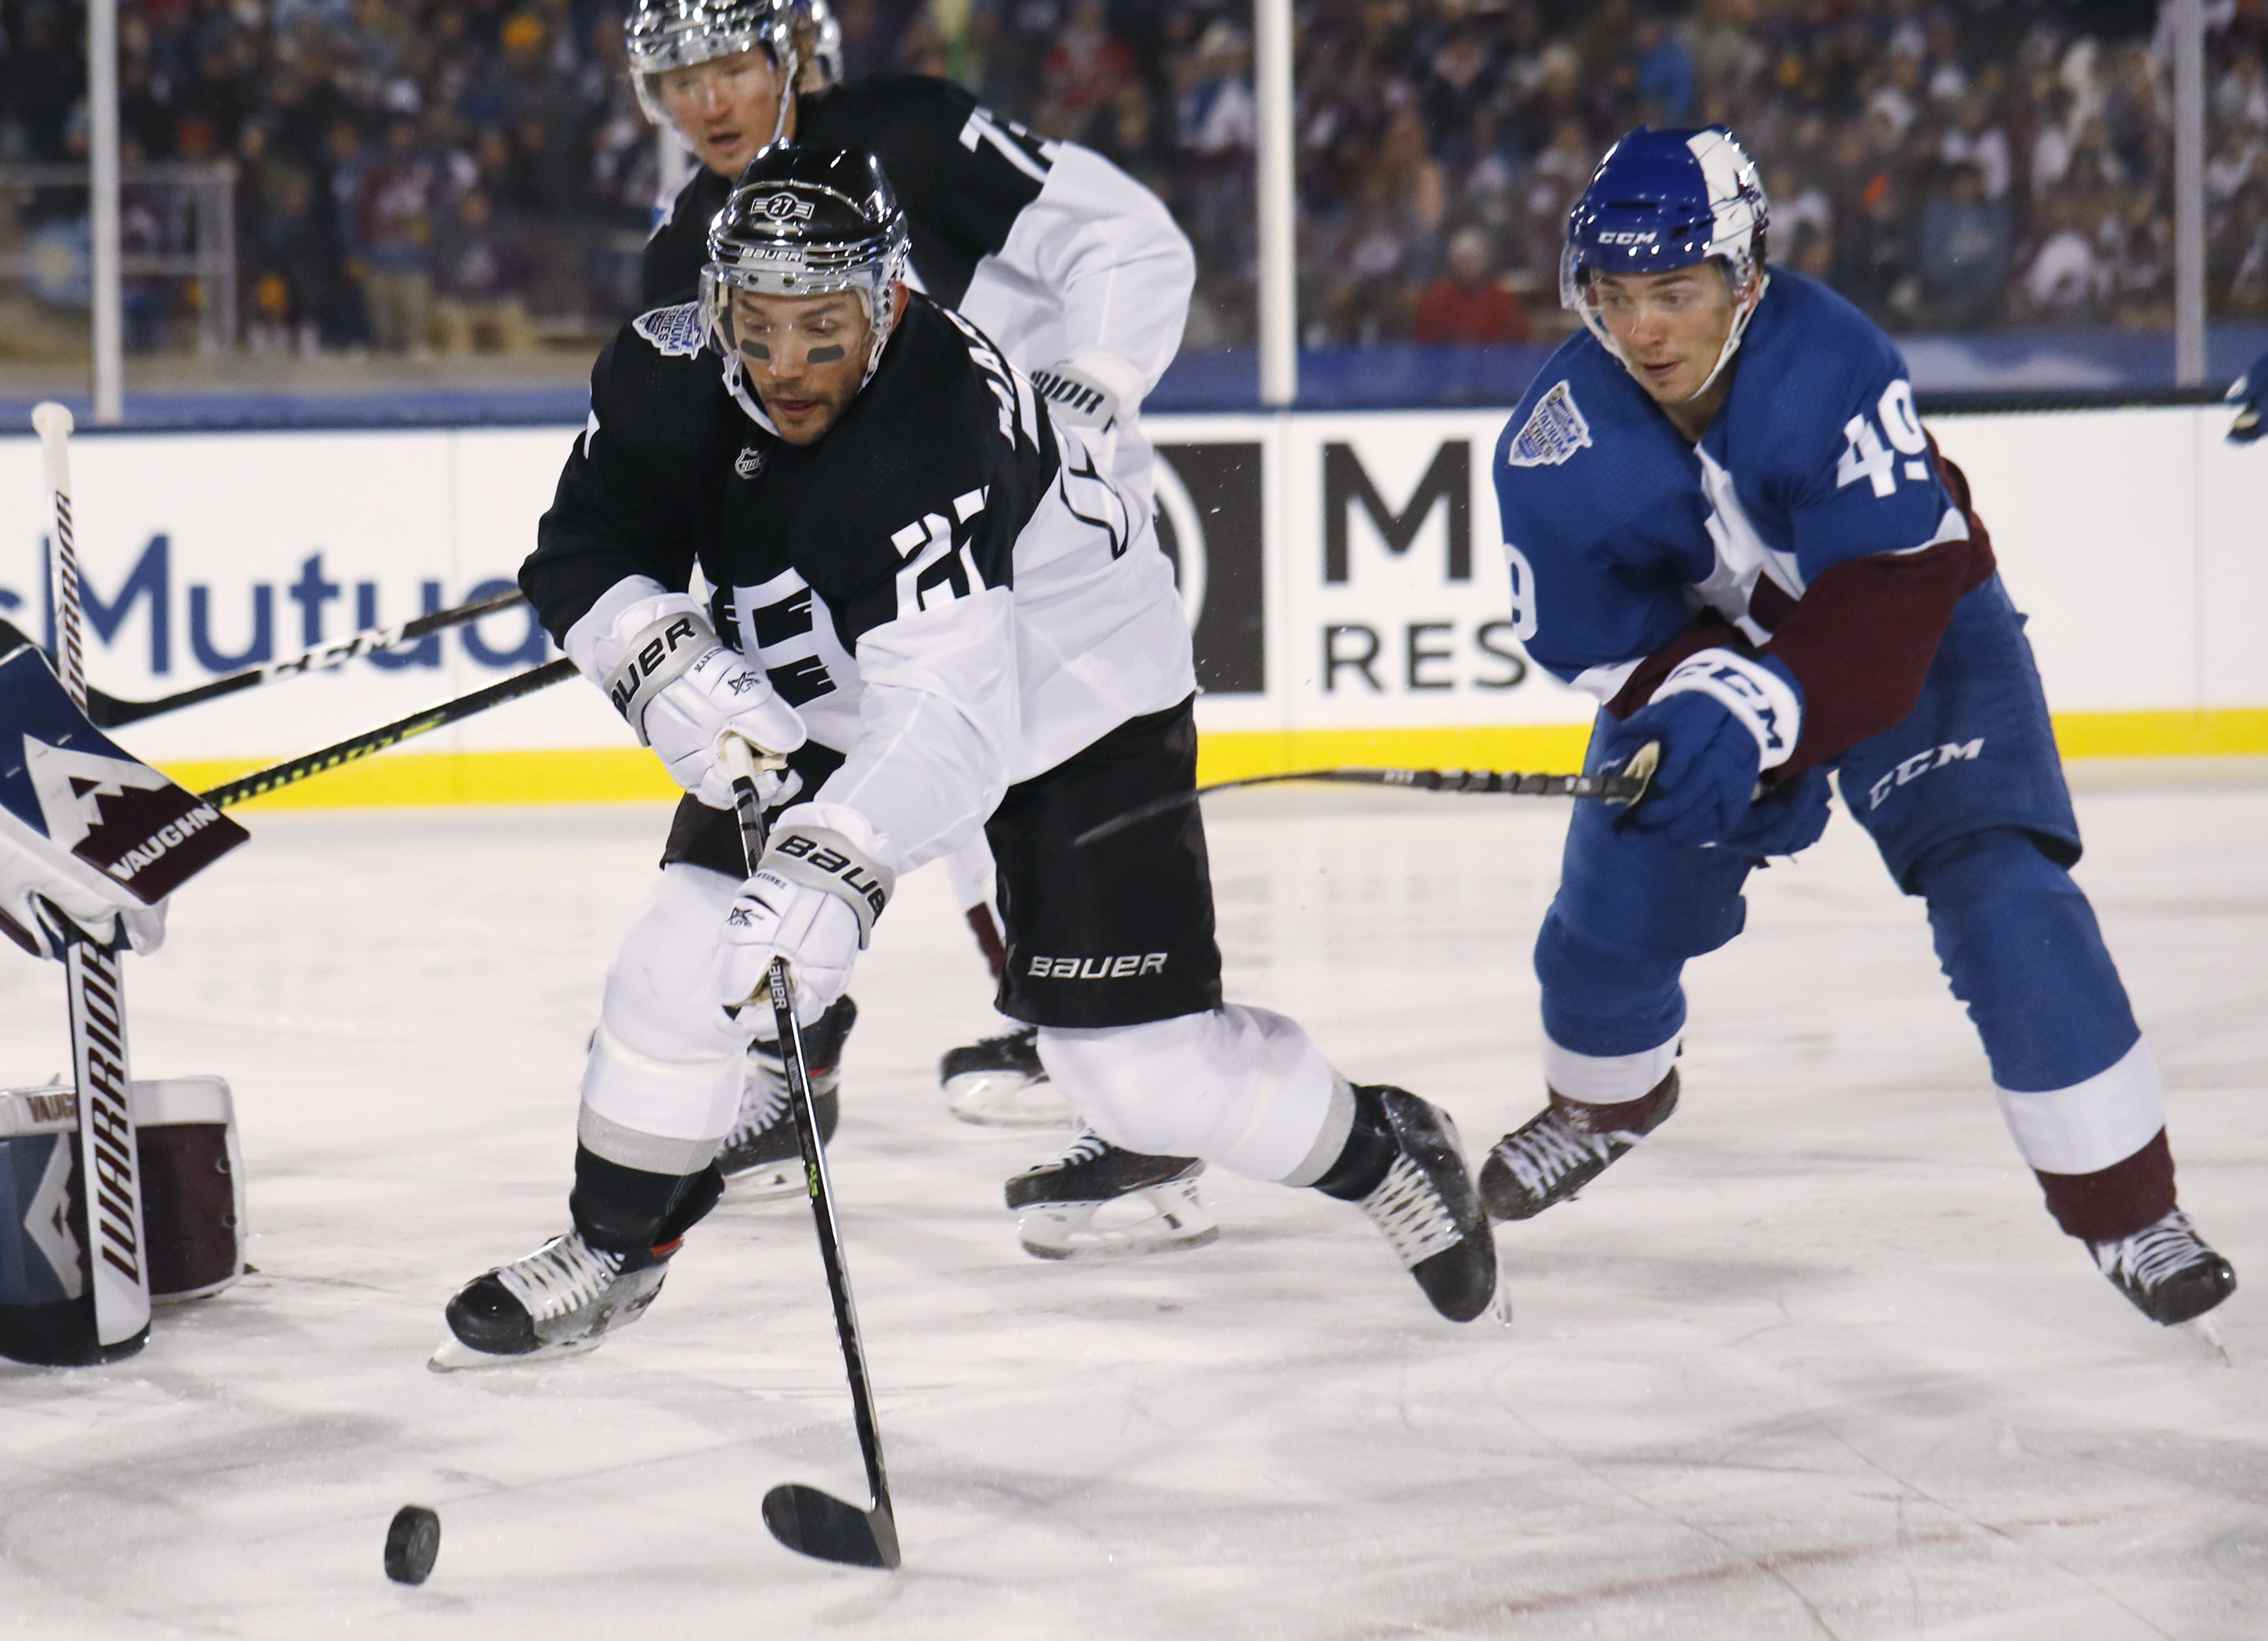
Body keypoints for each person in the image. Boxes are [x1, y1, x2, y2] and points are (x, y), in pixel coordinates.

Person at [433, 149, 1501, 1366]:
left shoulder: (930, 424)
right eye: (758, 326)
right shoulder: (665, 366)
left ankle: (1382, 1148)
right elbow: (582, 549)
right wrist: (659, 658)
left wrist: (832, 869)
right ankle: (615, 1247)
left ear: (887, 301)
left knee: (1141, 1081)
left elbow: (948, 717)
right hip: (831, 683)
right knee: (675, 965)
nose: (785, 366)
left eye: (822, 330)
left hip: (1069, 698)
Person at [1483, 126, 2236, 1329]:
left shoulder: (1829, 361)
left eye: (1674, 291)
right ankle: (1605, 1103)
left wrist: (1773, 713)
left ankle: (2128, 1209)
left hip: (1913, 625)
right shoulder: (1553, 444)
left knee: (2004, 893)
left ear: (1745, 277)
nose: (1643, 330)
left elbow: (1889, 597)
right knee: (1611, 908)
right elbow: (1599, 636)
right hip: (1716, 662)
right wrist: (1702, 698)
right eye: (1614, 296)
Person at [622, 0, 1205, 1234]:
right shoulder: (685, 244)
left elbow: (1126, 237)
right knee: (806, 765)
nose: (708, 102)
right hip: (861, 560)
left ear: (792, 56)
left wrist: (1097, 381)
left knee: (1021, 785)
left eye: (731, 66)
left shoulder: (908, 135)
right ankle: (804, 1060)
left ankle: (1137, 1094)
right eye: (678, 80)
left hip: (1039, 548)